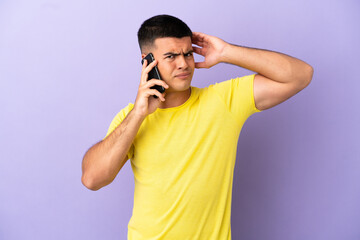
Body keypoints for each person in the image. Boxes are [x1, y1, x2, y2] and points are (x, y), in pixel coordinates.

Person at [81, 14, 313, 239]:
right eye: (171, 56)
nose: (183, 64)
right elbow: (93, 179)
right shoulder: (131, 118)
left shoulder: (224, 101)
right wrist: (139, 113)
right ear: (147, 61)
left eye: (188, 54)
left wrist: (226, 52)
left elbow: (301, 75)